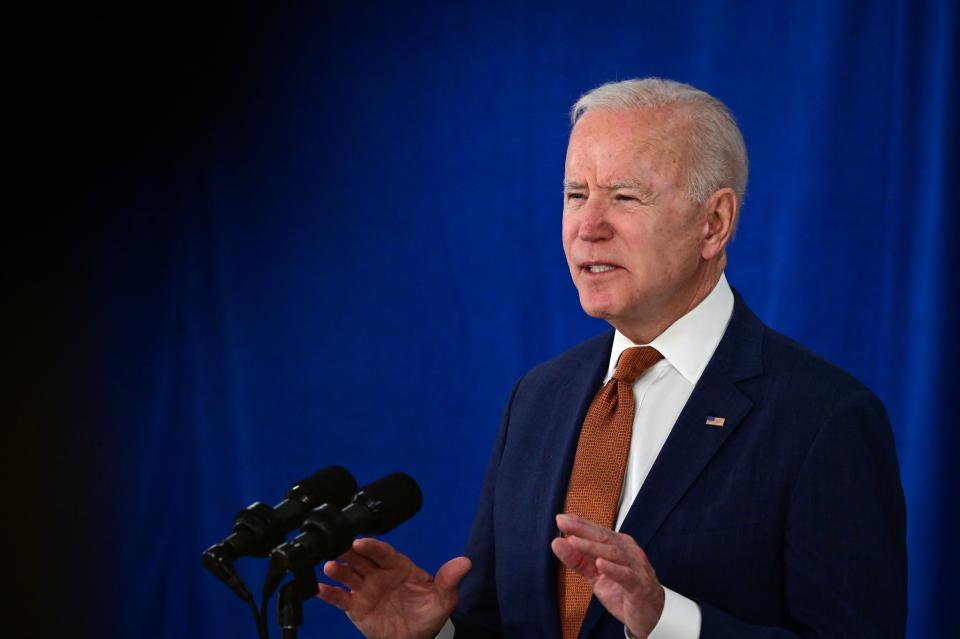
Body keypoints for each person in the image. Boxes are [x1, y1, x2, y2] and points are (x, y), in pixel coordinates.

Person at [315, 78, 907, 638]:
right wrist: (435, 633)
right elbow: (498, 622)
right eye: (577, 194)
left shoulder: (824, 417)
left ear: (714, 222)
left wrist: (664, 620)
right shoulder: (538, 397)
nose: (588, 227)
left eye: (625, 196)